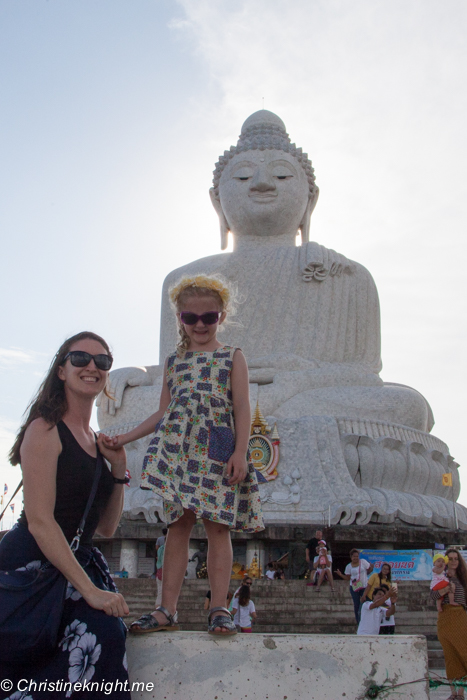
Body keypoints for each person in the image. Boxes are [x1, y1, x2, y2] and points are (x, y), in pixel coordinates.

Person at [103, 275, 264, 636]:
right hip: (179, 451)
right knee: (177, 528)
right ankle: (166, 609)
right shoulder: (173, 361)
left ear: (221, 316)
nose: (200, 325)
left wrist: (241, 452)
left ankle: (219, 608)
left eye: (209, 317)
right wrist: (123, 438)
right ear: (180, 319)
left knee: (217, 528)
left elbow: (242, 407)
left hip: (219, 447)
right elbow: (162, 413)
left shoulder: (232, 356)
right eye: (190, 318)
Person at [0, 332, 130, 697]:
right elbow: (41, 521)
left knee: (110, 633)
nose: (91, 367)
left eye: (102, 361)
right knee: (100, 636)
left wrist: (118, 469)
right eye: (80, 359)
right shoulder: (44, 428)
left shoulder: (94, 437)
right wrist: (90, 591)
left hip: (80, 564)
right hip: (35, 563)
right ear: (61, 369)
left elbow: (106, 528)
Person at [431, 548, 467, 700]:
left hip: (459, 615)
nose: (453, 561)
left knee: (463, 652)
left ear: (459, 561)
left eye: (456, 559)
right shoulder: (440, 575)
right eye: (450, 559)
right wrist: (446, 588)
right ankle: (454, 693)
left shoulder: (463, 578)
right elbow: (433, 595)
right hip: (445, 616)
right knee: (450, 656)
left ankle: (461, 693)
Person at [336, 549, 373, 623]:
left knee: (365, 603)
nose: (356, 558)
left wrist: (370, 569)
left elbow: (369, 569)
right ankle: (359, 622)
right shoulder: (349, 566)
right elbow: (347, 578)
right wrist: (340, 575)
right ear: (351, 557)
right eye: (354, 556)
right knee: (356, 605)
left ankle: (367, 621)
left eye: (357, 556)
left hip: (364, 586)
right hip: (354, 587)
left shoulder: (363, 562)